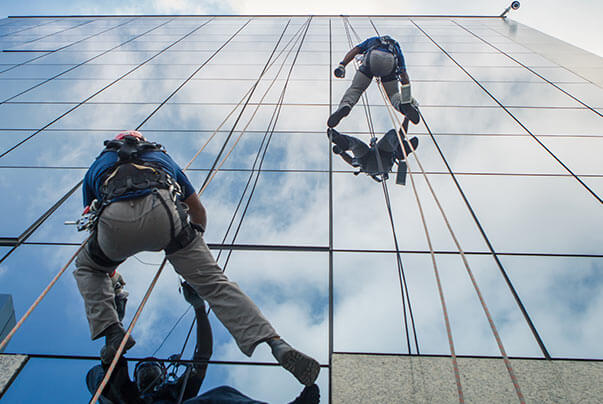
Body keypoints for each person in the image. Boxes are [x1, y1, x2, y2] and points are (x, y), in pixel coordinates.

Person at [74, 130, 320, 387]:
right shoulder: (160, 157)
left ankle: (112, 332)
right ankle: (275, 344)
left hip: (114, 220)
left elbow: (92, 219)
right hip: (166, 216)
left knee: (87, 268)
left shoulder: (97, 166)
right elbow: (198, 212)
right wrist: (192, 242)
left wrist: (110, 270)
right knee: (216, 285)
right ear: (142, 141)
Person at [86, 281, 320, 404]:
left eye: (152, 367)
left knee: (223, 394)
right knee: (100, 375)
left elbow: (203, 354)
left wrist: (199, 307)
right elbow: (112, 362)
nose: (148, 368)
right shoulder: (130, 396)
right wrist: (113, 327)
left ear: (163, 374)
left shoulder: (176, 392)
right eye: (144, 369)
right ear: (136, 380)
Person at [328, 35, 420, 128]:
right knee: (393, 94)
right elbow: (404, 75)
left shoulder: (373, 40)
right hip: (390, 61)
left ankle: (346, 106)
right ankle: (402, 105)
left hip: (372, 57)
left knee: (356, 89)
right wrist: (407, 100)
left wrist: (342, 65)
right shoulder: (396, 48)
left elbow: (355, 50)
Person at [327, 117, 418, 183]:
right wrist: (407, 117)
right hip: (384, 160)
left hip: (368, 164)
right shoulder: (387, 151)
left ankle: (345, 142)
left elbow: (352, 162)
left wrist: (341, 153)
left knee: (356, 144)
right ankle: (400, 147)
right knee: (393, 136)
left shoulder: (374, 152)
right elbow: (401, 133)